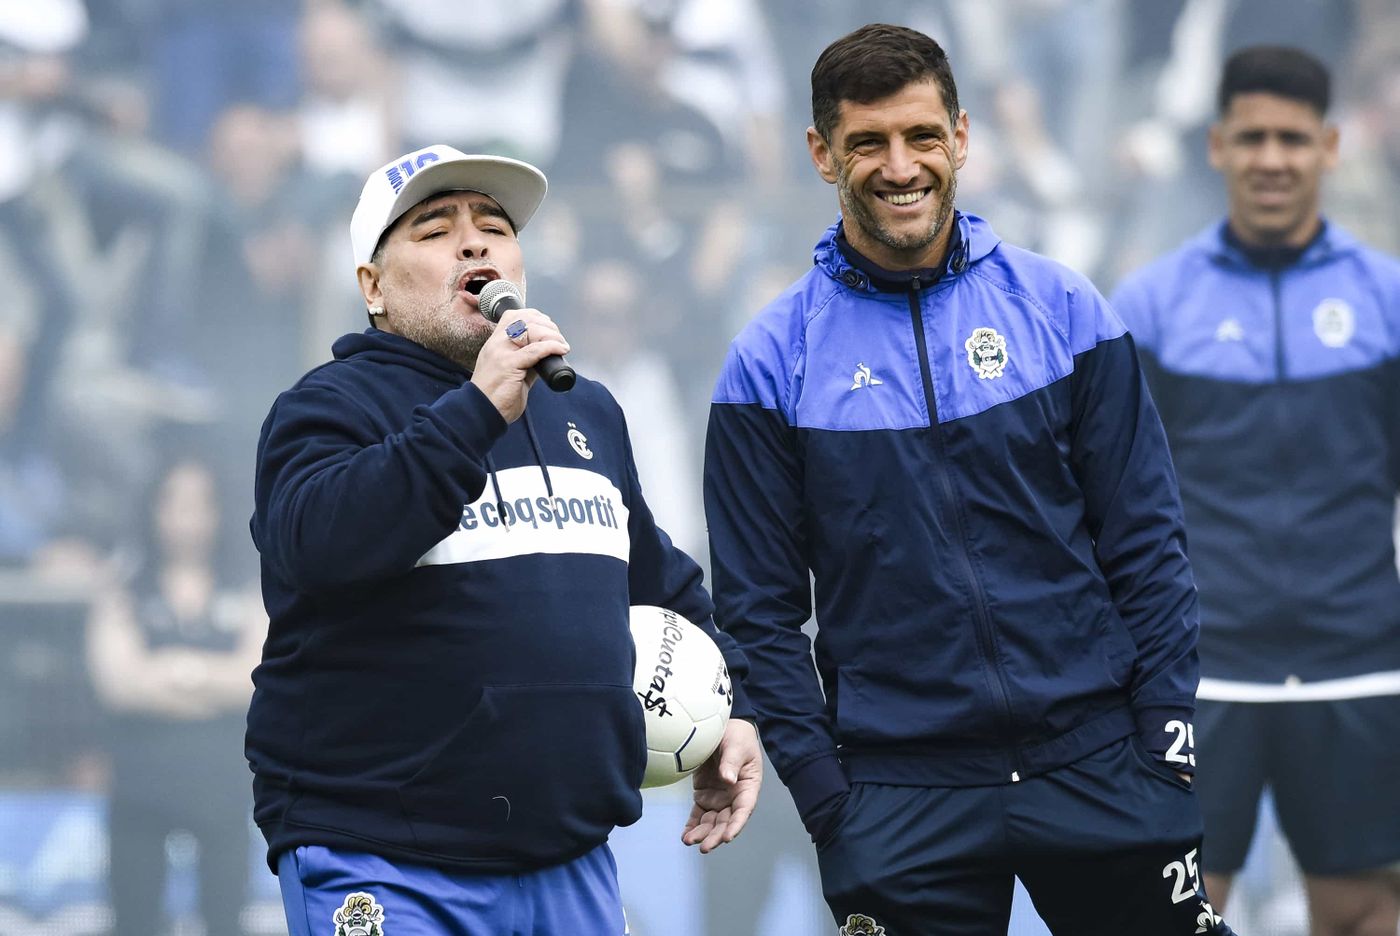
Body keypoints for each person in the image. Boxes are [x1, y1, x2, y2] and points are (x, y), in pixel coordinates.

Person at [702, 23, 1237, 936]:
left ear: (961, 136)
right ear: (821, 154)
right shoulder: (767, 364)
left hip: (1103, 762)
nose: (898, 166)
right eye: (866, 142)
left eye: (920, 136)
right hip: (900, 794)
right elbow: (757, 612)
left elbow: (1148, 539)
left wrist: (1162, 734)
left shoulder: (1064, 309)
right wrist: (830, 796)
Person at [245, 143, 762, 936]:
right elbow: (319, 545)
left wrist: (736, 708)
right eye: (433, 228)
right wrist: (478, 410)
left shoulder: (585, 409)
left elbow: (663, 584)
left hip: (569, 855)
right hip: (384, 854)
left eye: (493, 224)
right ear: (372, 288)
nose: (475, 240)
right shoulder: (325, 407)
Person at [1111, 46, 1400, 936]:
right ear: (1217, 147)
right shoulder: (1154, 305)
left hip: (1361, 660)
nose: (1272, 158)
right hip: (1204, 670)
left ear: (1330, 146)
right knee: (1176, 916)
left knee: (1366, 912)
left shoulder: (1387, 300)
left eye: (1292, 138)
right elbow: (1113, 502)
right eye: (1253, 138)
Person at [87, 451, 265, 936]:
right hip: (140, 784)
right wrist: (213, 682)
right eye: (173, 504)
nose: (186, 519)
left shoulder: (247, 582)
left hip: (223, 782)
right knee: (135, 921)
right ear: (152, 509)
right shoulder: (123, 583)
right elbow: (118, 684)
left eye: (199, 504)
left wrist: (171, 671)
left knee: (226, 921)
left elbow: (256, 681)